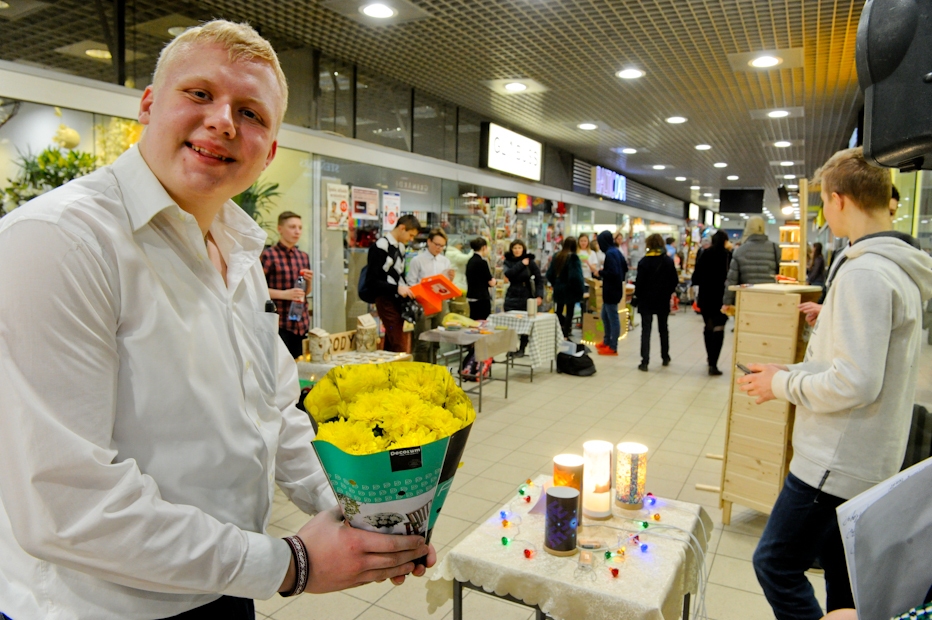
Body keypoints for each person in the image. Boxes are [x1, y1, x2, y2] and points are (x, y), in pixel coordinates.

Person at [0, 21, 434, 620]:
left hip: (222, 586)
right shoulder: (60, 242)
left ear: (270, 150)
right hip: (102, 606)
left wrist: (370, 512)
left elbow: (275, 414)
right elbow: (65, 506)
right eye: (199, 93)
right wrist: (290, 565)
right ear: (149, 105)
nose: (224, 121)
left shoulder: (236, 251)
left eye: (252, 113)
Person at [737, 147, 932, 620]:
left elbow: (856, 382)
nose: (824, 212)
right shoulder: (897, 264)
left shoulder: (865, 271)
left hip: (836, 459)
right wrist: (789, 371)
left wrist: (781, 386)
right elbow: (864, 360)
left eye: (824, 201)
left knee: (776, 563)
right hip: (867, 454)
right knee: (847, 579)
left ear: (840, 200)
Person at [800, 184, 900, 327]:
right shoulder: (841, 254)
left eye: (890, 213)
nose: (885, 220)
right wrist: (821, 314)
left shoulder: (882, 263)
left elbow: (869, 322)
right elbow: (828, 294)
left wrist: (828, 313)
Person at [364, 214, 421, 353]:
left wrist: (405, 288)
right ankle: (398, 373)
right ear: (402, 228)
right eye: (411, 235)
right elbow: (371, 280)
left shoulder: (400, 247)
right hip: (385, 300)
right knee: (398, 342)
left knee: (392, 341)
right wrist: (396, 288)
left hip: (397, 301)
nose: (411, 239)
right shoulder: (379, 247)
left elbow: (399, 274)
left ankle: (389, 372)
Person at [261, 211, 313, 358]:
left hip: (300, 323)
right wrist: (284, 294)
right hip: (279, 323)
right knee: (280, 368)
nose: (297, 231)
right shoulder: (269, 255)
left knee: (300, 366)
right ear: (280, 229)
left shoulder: (303, 256)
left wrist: (309, 281)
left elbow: (305, 292)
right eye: (292, 227)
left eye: (300, 227)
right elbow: (256, 288)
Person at [407, 228, 455, 362]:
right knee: (423, 341)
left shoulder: (445, 261)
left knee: (436, 340)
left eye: (442, 246)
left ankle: (433, 368)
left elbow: (446, 285)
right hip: (423, 303)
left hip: (440, 302)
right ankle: (420, 372)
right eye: (436, 244)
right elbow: (411, 283)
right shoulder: (417, 260)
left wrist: (449, 281)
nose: (439, 248)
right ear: (429, 242)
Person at [635, 233, 679, 371]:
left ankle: (645, 361)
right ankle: (665, 356)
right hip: (662, 300)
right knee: (663, 329)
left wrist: (638, 296)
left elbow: (639, 283)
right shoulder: (668, 261)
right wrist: (667, 292)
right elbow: (674, 281)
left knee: (646, 330)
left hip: (646, 300)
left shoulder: (643, 262)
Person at [690, 230, 731, 375]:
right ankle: (714, 363)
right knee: (719, 328)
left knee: (708, 326)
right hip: (721, 297)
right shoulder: (728, 256)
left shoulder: (705, 254)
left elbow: (696, 277)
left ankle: (709, 357)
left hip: (706, 296)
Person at [721, 215, 781, 309]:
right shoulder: (775, 248)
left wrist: (727, 302)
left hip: (746, 299)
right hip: (771, 297)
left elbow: (732, 279)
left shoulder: (740, 250)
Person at [503, 239, 542, 356]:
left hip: (527, 293)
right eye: (514, 248)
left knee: (526, 321)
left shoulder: (530, 261)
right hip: (513, 293)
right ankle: (511, 347)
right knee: (511, 321)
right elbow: (508, 274)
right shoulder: (508, 261)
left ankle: (522, 348)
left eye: (519, 248)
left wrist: (539, 296)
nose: (517, 250)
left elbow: (539, 279)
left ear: (523, 249)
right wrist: (521, 264)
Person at [595, 230, 628, 356]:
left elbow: (613, 273)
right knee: (605, 315)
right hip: (616, 288)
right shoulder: (616, 251)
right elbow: (624, 267)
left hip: (611, 290)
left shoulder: (610, 254)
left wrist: (602, 273)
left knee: (612, 318)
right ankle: (607, 341)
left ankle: (613, 346)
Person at [546, 236, 585, 338]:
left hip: (559, 288)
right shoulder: (573, 258)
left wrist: (556, 283)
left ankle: (557, 331)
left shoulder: (556, 256)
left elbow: (549, 274)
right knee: (569, 312)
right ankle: (566, 333)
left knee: (558, 310)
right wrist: (579, 289)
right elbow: (575, 276)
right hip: (570, 289)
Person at [465, 237, 496, 320]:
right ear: (483, 247)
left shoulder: (470, 261)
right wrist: (494, 281)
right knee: (483, 322)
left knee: (473, 320)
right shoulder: (482, 262)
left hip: (471, 296)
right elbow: (491, 282)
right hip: (482, 297)